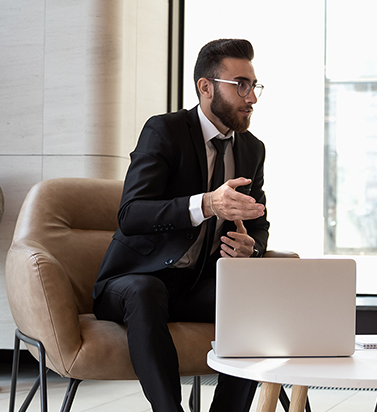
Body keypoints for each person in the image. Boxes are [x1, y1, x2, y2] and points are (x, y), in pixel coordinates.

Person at [92, 39, 269, 412]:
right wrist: (205, 204)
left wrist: (250, 247)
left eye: (254, 86)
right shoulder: (165, 131)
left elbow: (259, 222)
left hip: (193, 284)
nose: (251, 96)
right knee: (145, 290)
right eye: (241, 84)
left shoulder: (251, 149)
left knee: (254, 302)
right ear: (206, 87)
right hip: (133, 279)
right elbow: (132, 214)